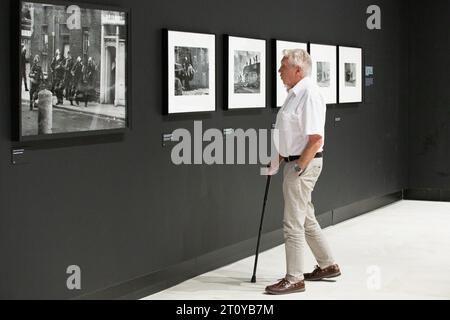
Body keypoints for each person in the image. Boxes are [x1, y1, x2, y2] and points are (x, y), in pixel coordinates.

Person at [264, 49, 340, 295]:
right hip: (294, 163)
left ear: (298, 70)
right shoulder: (293, 94)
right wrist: (276, 161)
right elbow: (290, 136)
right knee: (306, 217)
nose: (279, 71)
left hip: (303, 165)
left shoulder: (308, 94)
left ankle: (294, 278)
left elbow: (315, 139)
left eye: (283, 66)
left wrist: (297, 167)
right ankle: (328, 264)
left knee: (292, 223)